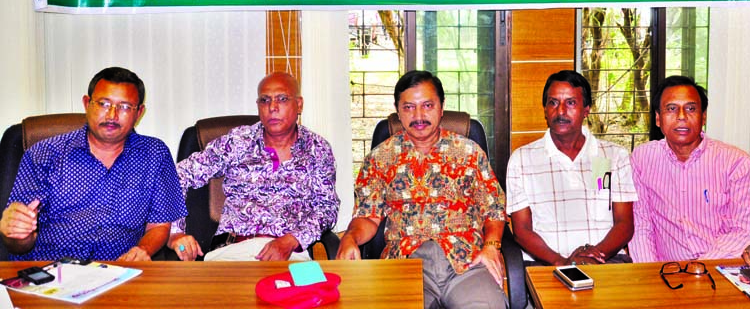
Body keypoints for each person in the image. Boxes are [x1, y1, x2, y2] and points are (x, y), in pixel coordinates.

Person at [337, 70, 508, 309]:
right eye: (408, 107)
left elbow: (494, 210)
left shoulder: (469, 152)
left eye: (427, 105)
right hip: (405, 262)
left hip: (465, 260)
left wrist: (491, 247)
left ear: (441, 107)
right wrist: (350, 238)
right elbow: (368, 216)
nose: (419, 116)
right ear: (398, 110)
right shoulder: (380, 158)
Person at [0, 67, 186, 261]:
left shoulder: (154, 154)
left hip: (119, 272)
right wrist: (15, 232)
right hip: (50, 273)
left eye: (124, 107)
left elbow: (159, 226)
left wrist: (143, 250)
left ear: (139, 112)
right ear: (87, 104)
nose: (112, 115)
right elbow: (18, 244)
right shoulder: (44, 154)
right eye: (104, 104)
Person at [168, 72, 339, 261]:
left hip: (291, 253)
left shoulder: (318, 149)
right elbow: (178, 175)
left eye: (282, 99)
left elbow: (327, 208)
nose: (272, 108)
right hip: (233, 252)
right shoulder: (238, 141)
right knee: (223, 291)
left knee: (313, 289)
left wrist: (293, 240)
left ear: (299, 104)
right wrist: (175, 232)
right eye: (264, 100)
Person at [506, 70, 637, 267]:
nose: (560, 111)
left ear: (586, 110)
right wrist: (564, 262)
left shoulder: (611, 156)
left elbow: (624, 224)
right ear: (545, 109)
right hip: (547, 264)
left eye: (570, 103)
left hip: (605, 260)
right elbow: (522, 230)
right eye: (553, 102)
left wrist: (593, 257)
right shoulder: (522, 160)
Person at [630, 75, 750, 262]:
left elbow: (743, 230)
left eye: (691, 109)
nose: (681, 117)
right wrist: (650, 274)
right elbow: (641, 225)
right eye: (671, 109)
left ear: (703, 117)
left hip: (720, 269)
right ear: (658, 118)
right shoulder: (642, 159)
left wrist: (697, 269)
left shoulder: (737, 163)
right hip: (666, 274)